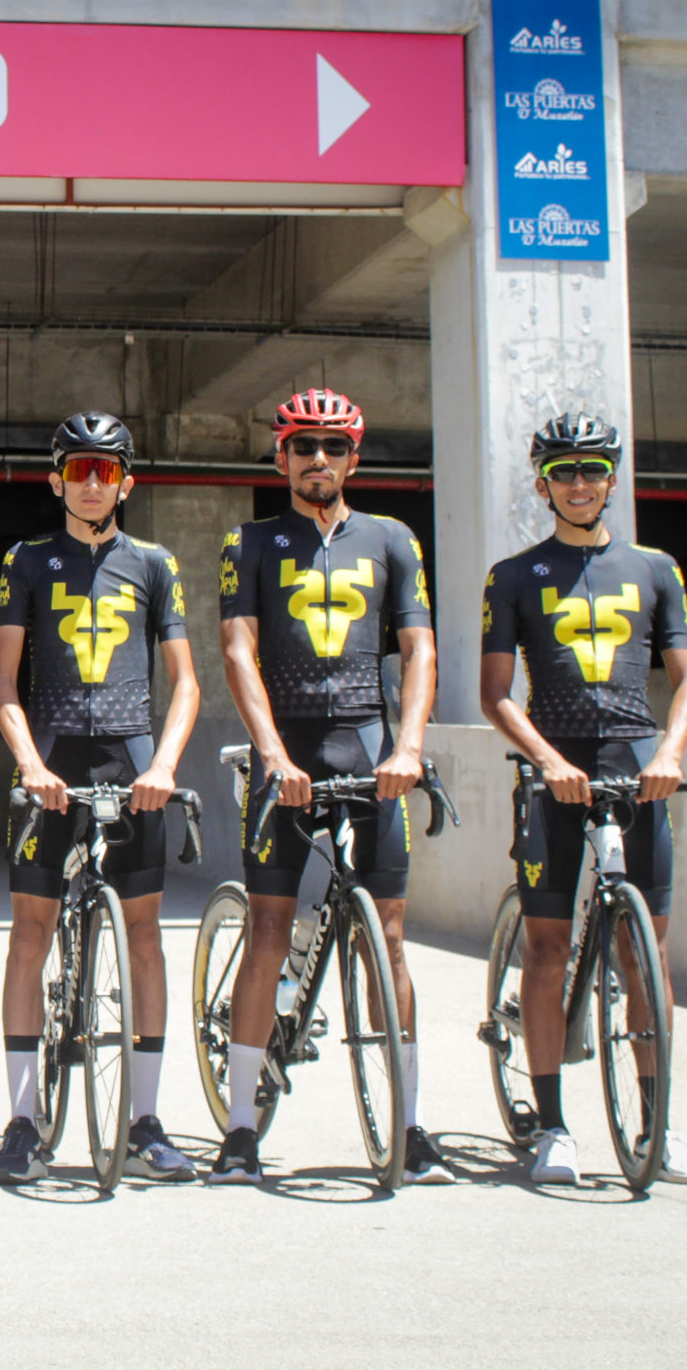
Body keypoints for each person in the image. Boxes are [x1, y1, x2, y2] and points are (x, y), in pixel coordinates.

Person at [213, 389, 455, 1187]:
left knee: (386, 940)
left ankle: (411, 1127)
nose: (320, 459)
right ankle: (240, 1129)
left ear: (356, 456)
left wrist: (411, 744)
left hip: (370, 745)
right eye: (303, 445)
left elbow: (417, 650)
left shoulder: (392, 540)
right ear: (281, 457)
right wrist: (275, 755)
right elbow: (240, 654)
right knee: (270, 933)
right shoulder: (248, 542)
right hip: (289, 757)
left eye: (335, 446)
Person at [480, 411, 687, 1188]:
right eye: (563, 471)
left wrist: (673, 752)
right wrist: (547, 759)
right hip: (557, 769)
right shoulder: (513, 576)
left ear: (612, 477)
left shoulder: (656, 568)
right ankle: (551, 1127)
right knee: (548, 950)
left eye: (591, 469)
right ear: (542, 482)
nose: (578, 483)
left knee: (646, 958)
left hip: (638, 760)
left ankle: (660, 1124)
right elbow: (496, 694)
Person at [0, 413, 202, 1185]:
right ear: (55, 479)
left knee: (144, 936)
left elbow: (185, 682)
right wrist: (28, 763)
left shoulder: (154, 562)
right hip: (51, 763)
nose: (90, 481)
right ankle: (21, 1119)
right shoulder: (27, 560)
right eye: (77, 468)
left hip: (131, 759)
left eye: (105, 470)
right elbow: (4, 682)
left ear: (126, 482)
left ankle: (143, 1120)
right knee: (28, 933)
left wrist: (165, 764)